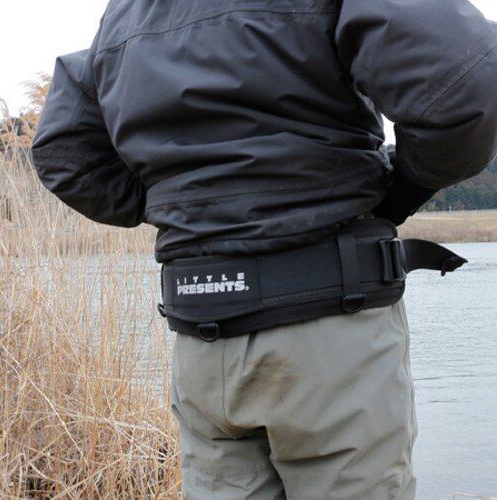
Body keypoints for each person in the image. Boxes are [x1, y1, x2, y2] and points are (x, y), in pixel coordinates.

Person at [32, 0, 497, 498]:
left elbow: (62, 145)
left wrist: (185, 207)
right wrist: (399, 189)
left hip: (202, 342)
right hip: (330, 326)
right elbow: (468, 79)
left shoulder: (127, 13)